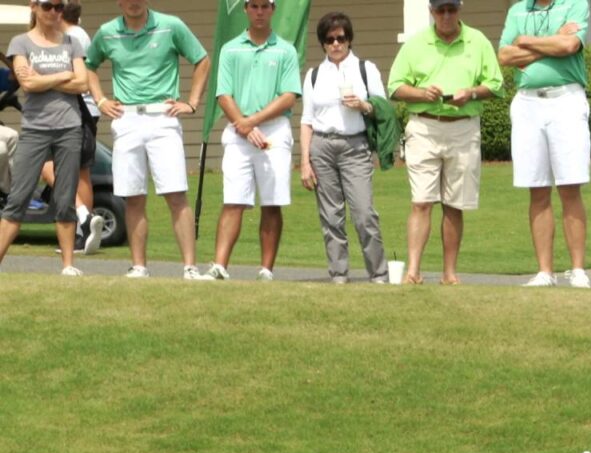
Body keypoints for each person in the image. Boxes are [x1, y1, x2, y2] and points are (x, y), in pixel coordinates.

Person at [85, 0, 211, 280]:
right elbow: (89, 65)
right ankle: (139, 266)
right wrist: (101, 99)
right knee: (133, 197)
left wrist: (191, 102)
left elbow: (202, 59)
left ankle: (190, 267)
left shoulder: (171, 25)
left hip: (162, 116)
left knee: (176, 194)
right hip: (126, 118)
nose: (133, 2)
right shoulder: (107, 32)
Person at [388, 0, 504, 285]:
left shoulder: (477, 41)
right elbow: (395, 86)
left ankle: (449, 273)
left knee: (455, 204)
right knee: (421, 202)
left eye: (452, 9)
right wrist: (421, 93)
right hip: (425, 126)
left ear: (459, 10)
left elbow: (496, 84)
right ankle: (413, 271)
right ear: (432, 12)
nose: (447, 16)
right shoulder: (416, 44)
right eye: (441, 10)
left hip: (463, 127)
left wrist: (473, 93)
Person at [204, 0, 300, 282]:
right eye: (254, 6)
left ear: (273, 10)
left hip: (273, 131)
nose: (260, 11)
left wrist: (252, 122)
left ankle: (266, 270)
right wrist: (244, 127)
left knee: (271, 202)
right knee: (233, 200)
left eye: (265, 6)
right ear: (246, 9)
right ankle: (220, 266)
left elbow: (288, 96)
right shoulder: (230, 48)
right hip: (238, 131)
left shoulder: (286, 49)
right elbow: (223, 94)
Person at [498, 0, 591, 289]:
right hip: (527, 102)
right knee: (536, 188)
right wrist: (551, 42)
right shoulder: (517, 11)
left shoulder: (575, 4)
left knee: (569, 186)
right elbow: (504, 55)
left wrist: (526, 43)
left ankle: (577, 269)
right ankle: (545, 271)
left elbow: (569, 47)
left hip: (566, 99)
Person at [300, 12, 388, 285]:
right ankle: (338, 275)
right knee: (331, 216)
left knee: (364, 213)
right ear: (323, 44)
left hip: (355, 144)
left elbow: (382, 108)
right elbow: (306, 120)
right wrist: (304, 160)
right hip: (322, 146)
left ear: (349, 40)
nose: (336, 44)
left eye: (341, 38)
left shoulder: (365, 68)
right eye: (330, 40)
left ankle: (379, 275)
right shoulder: (314, 75)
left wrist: (362, 105)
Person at [0, 0, 87, 276]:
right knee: (18, 197)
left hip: (69, 127)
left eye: (59, 7)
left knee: (64, 199)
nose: (54, 12)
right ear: (34, 7)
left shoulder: (72, 42)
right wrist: (64, 74)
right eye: (48, 6)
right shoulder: (20, 42)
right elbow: (27, 83)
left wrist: (44, 78)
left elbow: (83, 83)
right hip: (35, 128)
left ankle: (69, 266)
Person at [40, 0, 103, 255]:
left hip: (74, 111)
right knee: (81, 174)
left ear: (60, 12)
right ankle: (84, 233)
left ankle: (83, 218)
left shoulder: (70, 38)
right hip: (86, 111)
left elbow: (69, 75)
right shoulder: (80, 34)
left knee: (48, 168)